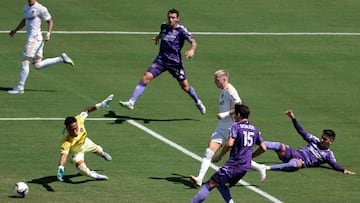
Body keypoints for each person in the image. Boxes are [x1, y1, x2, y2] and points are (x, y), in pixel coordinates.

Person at [119, 8, 206, 114]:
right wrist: (157, 37)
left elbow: (193, 41)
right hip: (161, 60)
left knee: (185, 87)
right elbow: (162, 33)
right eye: (169, 17)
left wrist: (192, 50)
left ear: (177, 18)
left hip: (175, 63)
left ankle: (198, 102)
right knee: (146, 77)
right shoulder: (164, 26)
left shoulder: (181, 30)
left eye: (173, 18)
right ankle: (131, 102)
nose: (170, 19)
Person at [190, 70, 267, 187]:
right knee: (209, 151)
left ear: (224, 79)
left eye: (217, 80)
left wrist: (225, 114)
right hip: (221, 128)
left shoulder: (230, 90)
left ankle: (259, 167)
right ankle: (200, 178)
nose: (215, 82)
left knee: (238, 156)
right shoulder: (223, 91)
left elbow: (239, 104)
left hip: (231, 128)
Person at [191, 104, 267, 203]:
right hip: (245, 167)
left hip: (233, 165)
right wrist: (250, 156)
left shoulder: (236, 126)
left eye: (235, 114)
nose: (234, 117)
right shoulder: (255, 129)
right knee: (221, 185)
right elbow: (263, 148)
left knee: (209, 185)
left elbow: (230, 143)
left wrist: (220, 156)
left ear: (239, 114)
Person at [252, 109, 356, 175]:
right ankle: (248, 153)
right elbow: (301, 132)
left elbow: (334, 165)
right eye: (322, 137)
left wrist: (343, 170)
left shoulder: (328, 155)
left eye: (325, 139)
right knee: (278, 145)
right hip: (294, 153)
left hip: (301, 161)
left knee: (295, 164)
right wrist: (293, 118)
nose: (321, 140)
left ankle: (266, 168)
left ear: (331, 141)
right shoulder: (315, 140)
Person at [8, 0, 74, 94]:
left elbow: (50, 21)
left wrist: (48, 34)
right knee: (37, 65)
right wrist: (15, 30)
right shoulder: (26, 7)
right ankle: (61, 58)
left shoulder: (41, 8)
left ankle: (20, 87)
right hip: (34, 40)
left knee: (25, 61)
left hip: (34, 40)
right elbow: (25, 20)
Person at [57, 94, 114, 181]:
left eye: (76, 128)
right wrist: (61, 168)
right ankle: (94, 175)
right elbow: (64, 156)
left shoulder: (79, 119)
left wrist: (102, 104)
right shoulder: (66, 142)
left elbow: (87, 110)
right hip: (76, 152)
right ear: (67, 129)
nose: (75, 131)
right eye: (72, 130)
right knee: (84, 171)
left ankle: (102, 154)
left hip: (86, 143)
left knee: (99, 150)